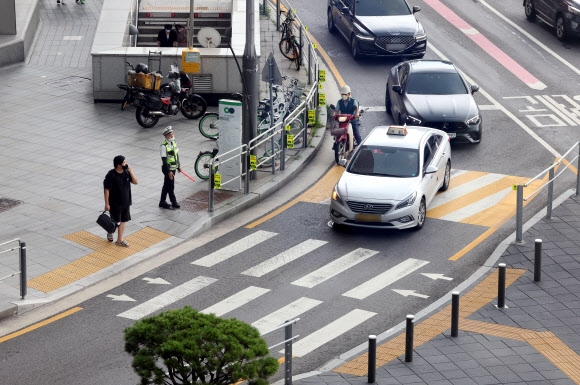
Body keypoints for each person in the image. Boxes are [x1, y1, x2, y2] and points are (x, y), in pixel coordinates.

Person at [104, 155, 138, 247]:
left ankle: (119, 240)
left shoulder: (127, 172)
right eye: (124, 162)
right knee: (115, 222)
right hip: (115, 203)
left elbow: (135, 182)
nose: (126, 164)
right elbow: (106, 189)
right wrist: (107, 203)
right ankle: (110, 231)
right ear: (118, 165)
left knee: (123, 220)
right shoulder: (111, 174)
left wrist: (131, 171)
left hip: (126, 202)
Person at [159, 126, 181, 209]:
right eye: (170, 134)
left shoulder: (174, 142)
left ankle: (162, 201)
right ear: (166, 136)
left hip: (173, 168)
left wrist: (178, 165)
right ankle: (174, 202)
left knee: (167, 184)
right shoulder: (163, 146)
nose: (172, 135)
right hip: (167, 168)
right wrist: (169, 172)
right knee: (170, 185)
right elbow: (164, 160)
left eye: (172, 133)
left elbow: (176, 154)